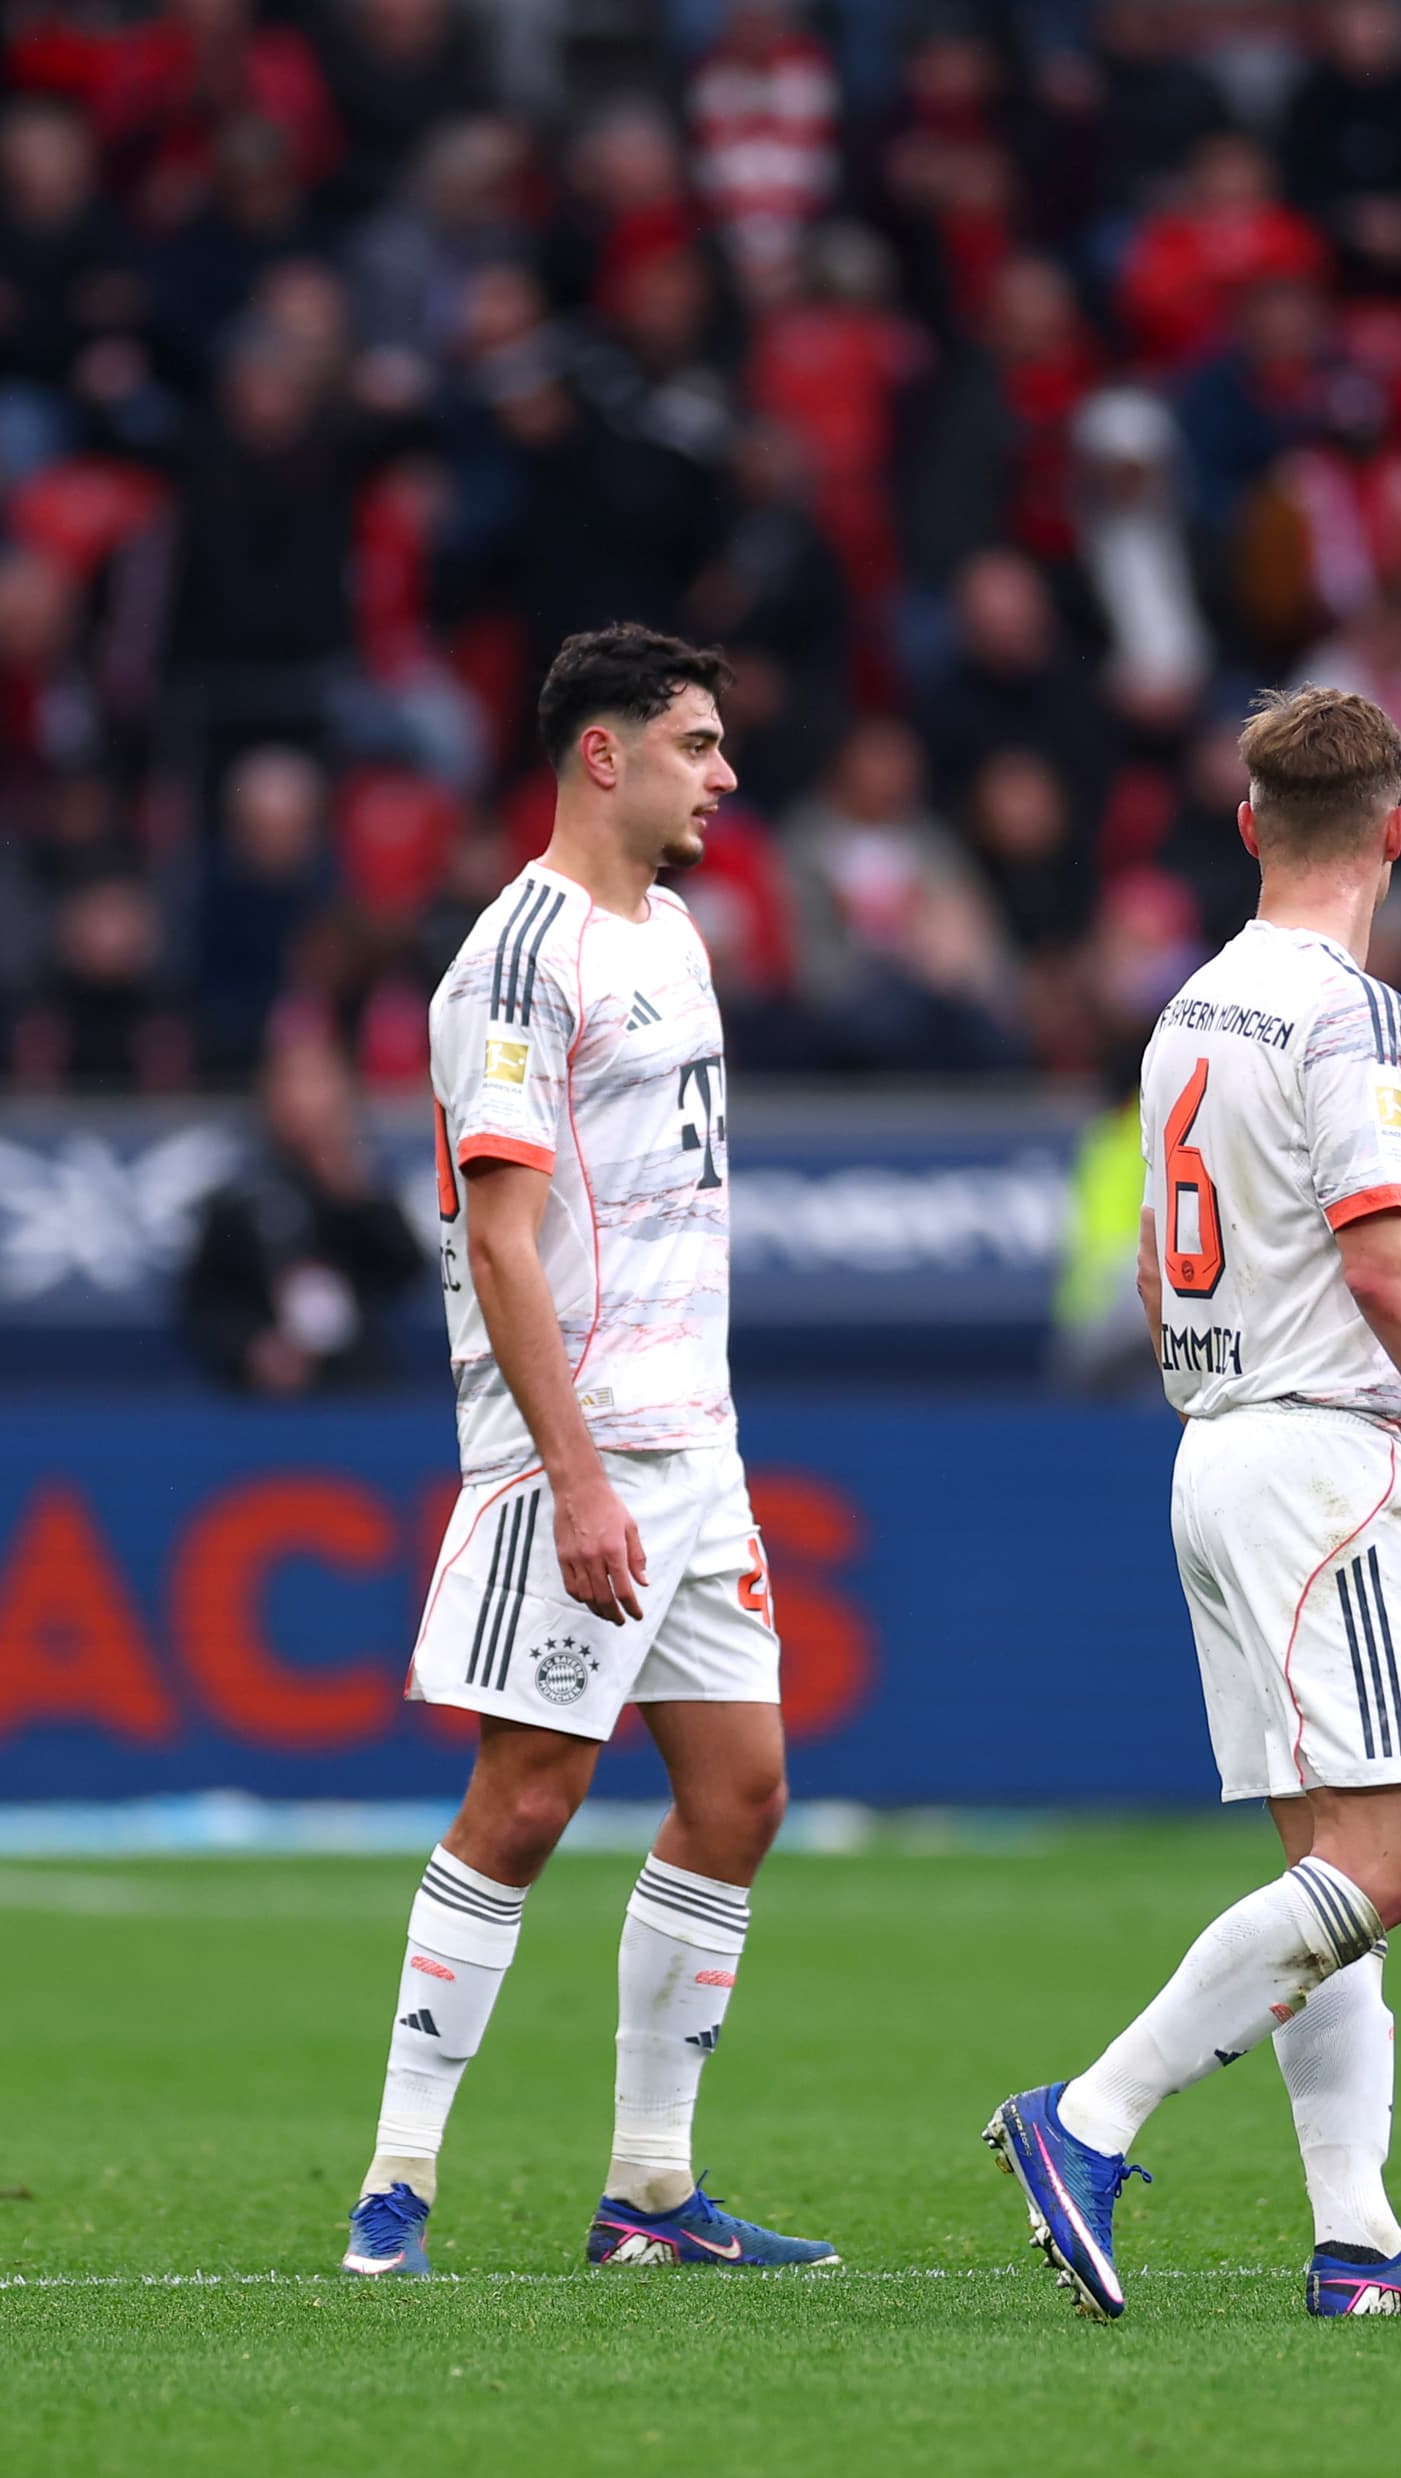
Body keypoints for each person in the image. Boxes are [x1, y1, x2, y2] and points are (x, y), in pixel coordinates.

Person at [979, 689, 1401, 2324]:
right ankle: (1087, 2115)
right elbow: (1387, 1257)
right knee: (1393, 1861)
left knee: (1323, 1864)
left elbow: (1143, 1259)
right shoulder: (1355, 1016)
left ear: (1251, 825)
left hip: (1213, 1446)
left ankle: (1355, 2238)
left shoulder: (1186, 1009)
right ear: (1396, 830)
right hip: (1322, 1456)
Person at [340, 625, 834, 2280]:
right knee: (531, 1793)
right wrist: (574, 1477)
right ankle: (396, 2183)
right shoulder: (512, 959)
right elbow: (499, 1234)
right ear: (604, 755)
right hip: (587, 1443)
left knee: (742, 1788)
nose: (726, 775)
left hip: (700, 1439)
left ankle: (650, 2191)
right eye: (699, 743)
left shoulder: (680, 933)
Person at [179, 1027, 426, 1394]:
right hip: (258, 1403)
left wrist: (356, 1194)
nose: (304, 1099)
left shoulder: (361, 1187)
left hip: (359, 1394)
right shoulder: (238, 1192)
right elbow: (201, 1303)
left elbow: (405, 1274)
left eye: (319, 1081)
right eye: (291, 1081)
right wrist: (250, 1348)